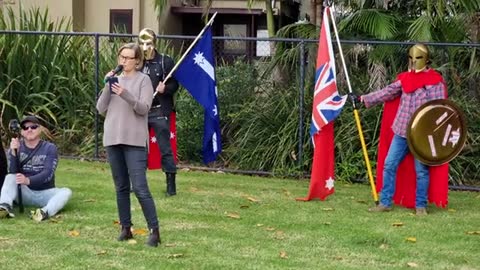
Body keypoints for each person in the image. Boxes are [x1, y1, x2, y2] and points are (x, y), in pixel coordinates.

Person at [359, 44, 448, 216]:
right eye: (411, 58)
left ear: (426, 59)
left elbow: (438, 110)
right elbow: (387, 92)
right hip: (401, 132)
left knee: (421, 171)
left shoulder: (434, 82)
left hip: (421, 135)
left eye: (418, 58)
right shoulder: (405, 79)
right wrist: (364, 98)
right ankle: (385, 202)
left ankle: (420, 205)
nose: (414, 62)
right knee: (389, 165)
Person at [96, 42, 161, 247]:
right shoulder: (114, 80)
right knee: (121, 187)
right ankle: (126, 228)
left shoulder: (144, 81)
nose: (123, 61)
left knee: (140, 187)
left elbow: (143, 108)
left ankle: (154, 231)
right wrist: (108, 85)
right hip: (112, 139)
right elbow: (100, 108)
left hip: (134, 141)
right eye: (121, 57)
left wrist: (124, 92)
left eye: (128, 58)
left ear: (138, 61)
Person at [0, 115, 72, 221]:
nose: (29, 130)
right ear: (21, 132)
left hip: (44, 192)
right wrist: (13, 153)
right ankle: (4, 207)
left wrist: (28, 180)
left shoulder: (50, 148)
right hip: (23, 193)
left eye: (33, 127)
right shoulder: (17, 146)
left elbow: (48, 173)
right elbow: (13, 172)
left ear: (40, 129)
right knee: (10, 177)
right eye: (25, 127)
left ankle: (44, 212)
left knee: (66, 192)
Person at [138, 28, 179, 196]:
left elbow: (175, 84)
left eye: (148, 43)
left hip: (160, 110)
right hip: (141, 111)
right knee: (137, 147)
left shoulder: (165, 62)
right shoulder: (136, 61)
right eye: (141, 42)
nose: (145, 46)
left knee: (165, 148)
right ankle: (137, 182)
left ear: (155, 43)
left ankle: (171, 184)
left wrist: (165, 88)